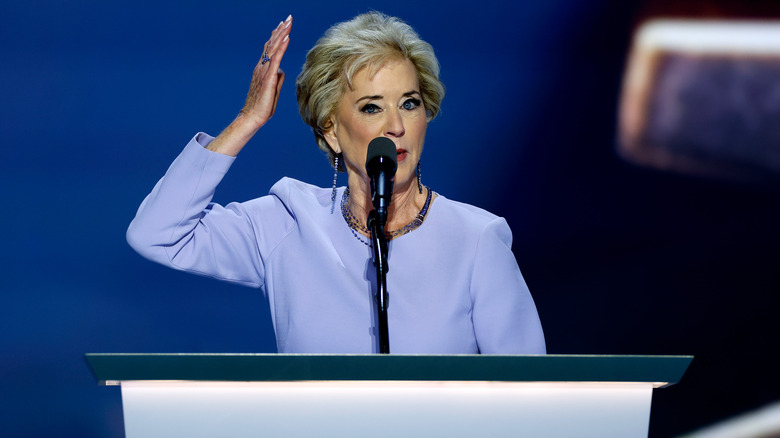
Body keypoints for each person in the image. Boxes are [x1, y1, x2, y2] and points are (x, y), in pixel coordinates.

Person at [127, 12, 545, 354]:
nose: (395, 126)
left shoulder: (475, 239)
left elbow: (529, 396)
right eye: (371, 107)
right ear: (331, 130)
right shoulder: (287, 223)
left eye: (409, 103)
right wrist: (248, 119)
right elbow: (158, 235)